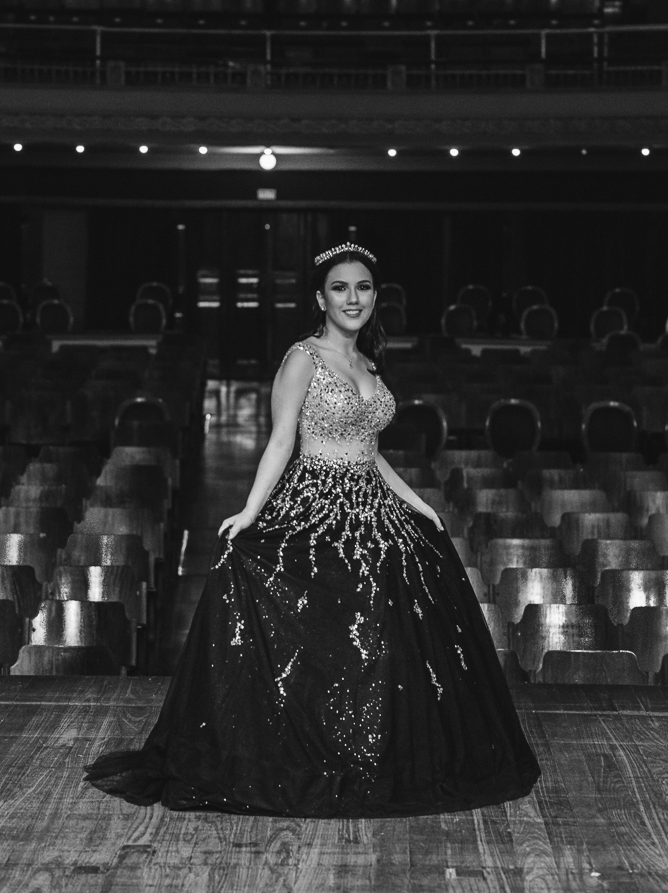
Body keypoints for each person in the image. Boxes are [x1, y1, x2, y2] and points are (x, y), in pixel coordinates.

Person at [84, 241, 541, 817]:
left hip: (372, 506)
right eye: (341, 288)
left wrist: (418, 504)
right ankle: (313, 757)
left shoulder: (370, 364)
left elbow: (370, 454)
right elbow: (282, 442)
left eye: (364, 287)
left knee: (389, 633)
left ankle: (378, 757)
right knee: (328, 634)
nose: (354, 298)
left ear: (375, 298)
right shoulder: (303, 358)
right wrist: (251, 511)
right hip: (315, 503)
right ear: (320, 298)